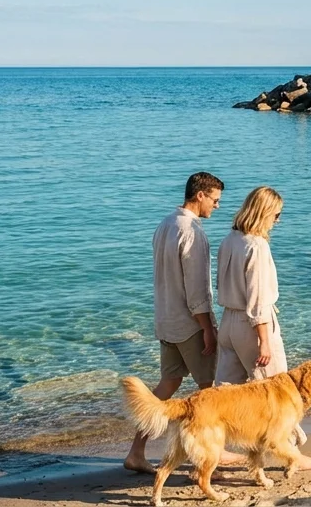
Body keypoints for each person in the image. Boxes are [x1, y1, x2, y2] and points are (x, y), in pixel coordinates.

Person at [124, 171, 229, 475]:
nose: (217, 206)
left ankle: (136, 452)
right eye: (215, 199)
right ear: (200, 195)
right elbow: (196, 290)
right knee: (212, 392)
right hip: (189, 325)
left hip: (165, 320)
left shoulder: (165, 224)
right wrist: (209, 328)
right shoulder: (192, 232)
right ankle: (213, 455)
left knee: (166, 388)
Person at [216, 186, 311, 469]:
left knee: (226, 393)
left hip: (227, 321)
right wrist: (264, 339)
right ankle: (293, 455)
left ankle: (213, 450)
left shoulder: (230, 240)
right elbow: (258, 298)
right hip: (253, 325)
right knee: (280, 395)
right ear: (264, 213)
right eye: (276, 214)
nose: (278, 220)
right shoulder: (257, 246)